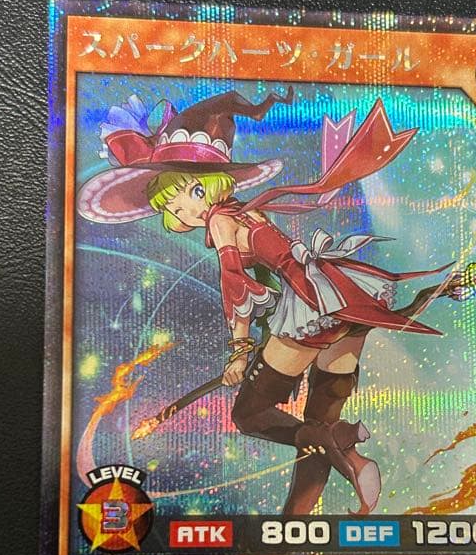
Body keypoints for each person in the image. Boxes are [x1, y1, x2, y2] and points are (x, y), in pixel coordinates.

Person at [78, 87, 456, 515]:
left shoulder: (221, 221)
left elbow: (235, 285)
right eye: (170, 207)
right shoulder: (247, 211)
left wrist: (239, 352)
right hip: (340, 299)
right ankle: (296, 521)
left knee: (250, 413)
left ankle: (346, 445)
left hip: (311, 309)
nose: (178, 214)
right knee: (316, 425)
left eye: (179, 200)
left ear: (203, 188)